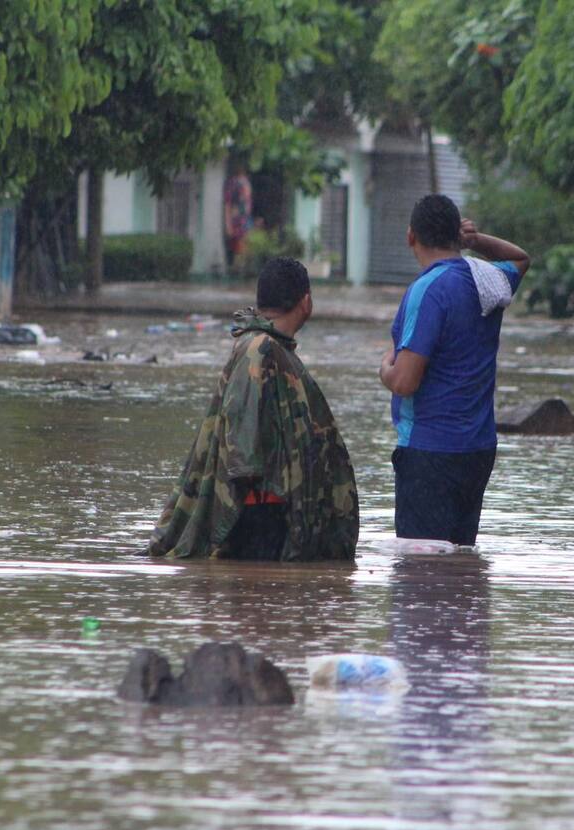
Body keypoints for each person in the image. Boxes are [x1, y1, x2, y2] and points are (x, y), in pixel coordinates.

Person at [149, 257, 358, 560]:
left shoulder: (267, 347)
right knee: (257, 600)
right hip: (258, 513)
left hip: (263, 508)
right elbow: (243, 449)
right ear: (306, 302)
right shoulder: (259, 348)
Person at [379, 194, 530, 545]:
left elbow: (404, 381)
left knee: (421, 572)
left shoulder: (428, 290)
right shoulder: (487, 280)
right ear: (456, 235)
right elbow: (520, 258)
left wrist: (384, 369)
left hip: (430, 452)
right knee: (459, 570)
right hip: (478, 450)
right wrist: (476, 242)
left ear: (410, 236)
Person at [223, 162, 253, 266]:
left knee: (244, 243)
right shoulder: (234, 184)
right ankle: (237, 266)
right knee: (238, 244)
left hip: (244, 219)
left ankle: (241, 265)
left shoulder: (245, 183)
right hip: (236, 219)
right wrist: (228, 224)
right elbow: (228, 204)